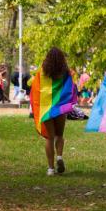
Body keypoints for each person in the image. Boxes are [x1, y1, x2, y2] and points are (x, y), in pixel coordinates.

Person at [30, 47, 77, 176]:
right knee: (59, 135)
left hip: (46, 109)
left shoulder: (42, 72)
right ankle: (59, 157)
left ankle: (50, 169)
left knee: (49, 138)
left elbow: (35, 89)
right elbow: (70, 88)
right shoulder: (66, 73)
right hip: (60, 108)